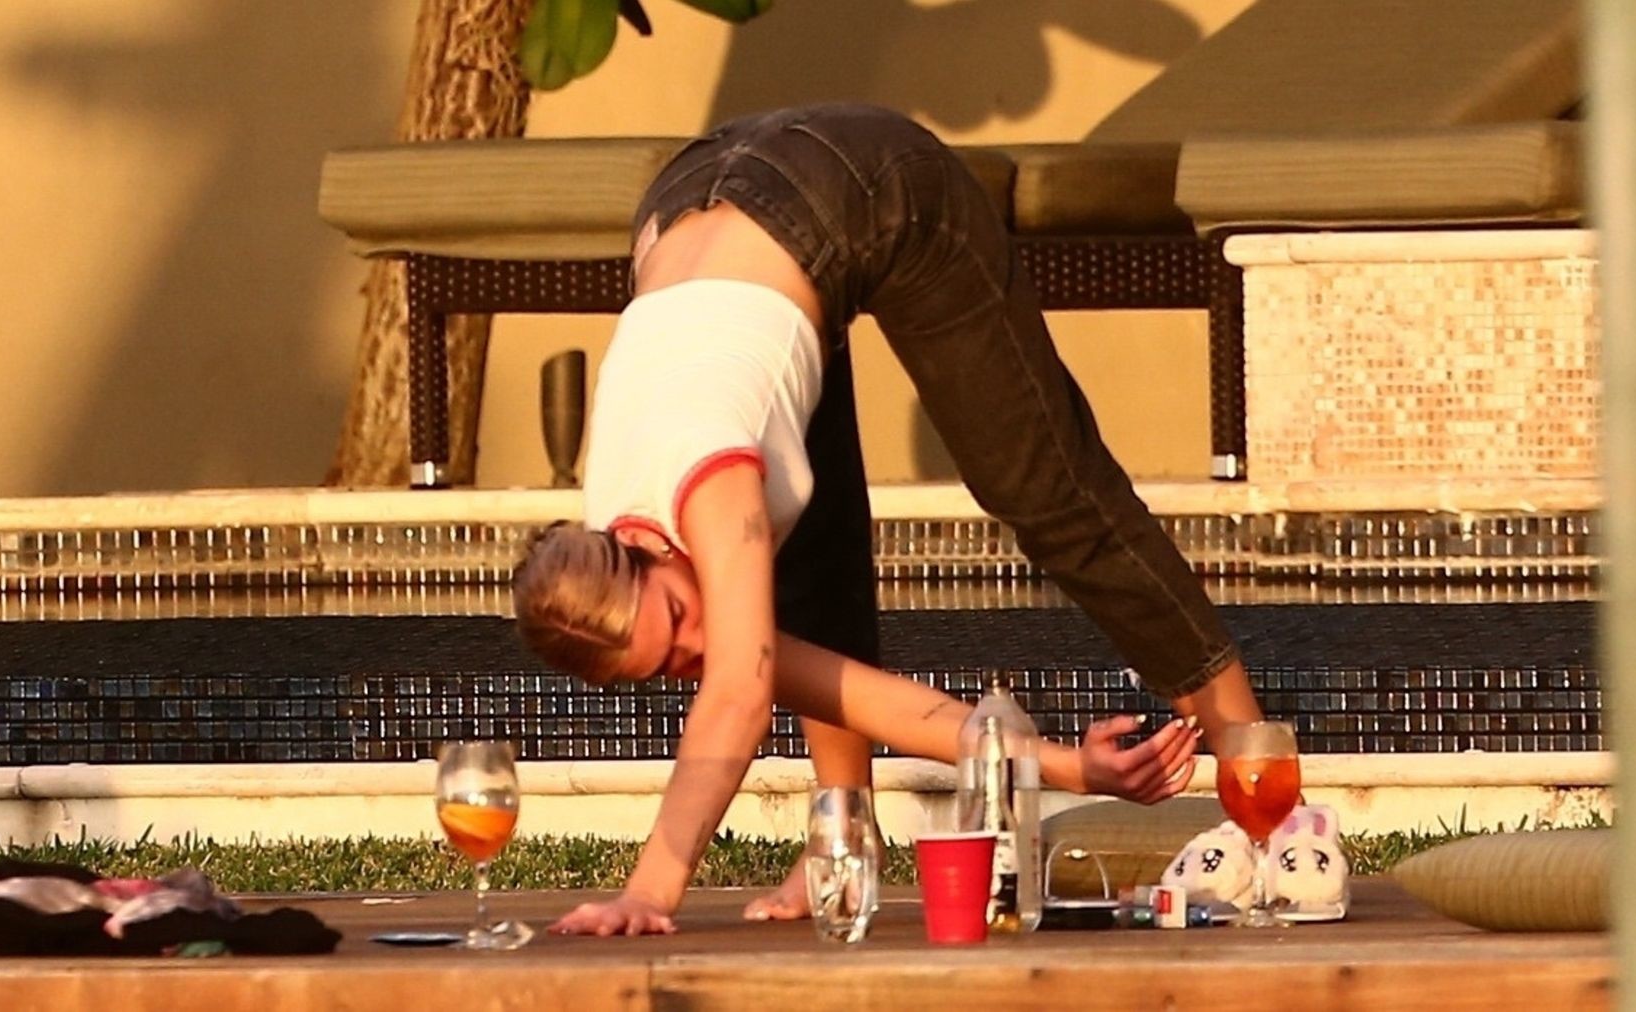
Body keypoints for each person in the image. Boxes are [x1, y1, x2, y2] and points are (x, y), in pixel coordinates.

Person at [514, 104, 1265, 937]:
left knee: (1043, 488)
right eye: (667, 668)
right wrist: (1071, 768)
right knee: (807, 566)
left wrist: (650, 891)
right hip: (696, 199)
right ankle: (843, 839)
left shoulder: (708, 482)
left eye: (679, 620)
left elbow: (738, 696)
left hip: (866, 184)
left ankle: (1262, 771)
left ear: (640, 545)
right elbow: (862, 695)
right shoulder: (609, 561)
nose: (694, 650)